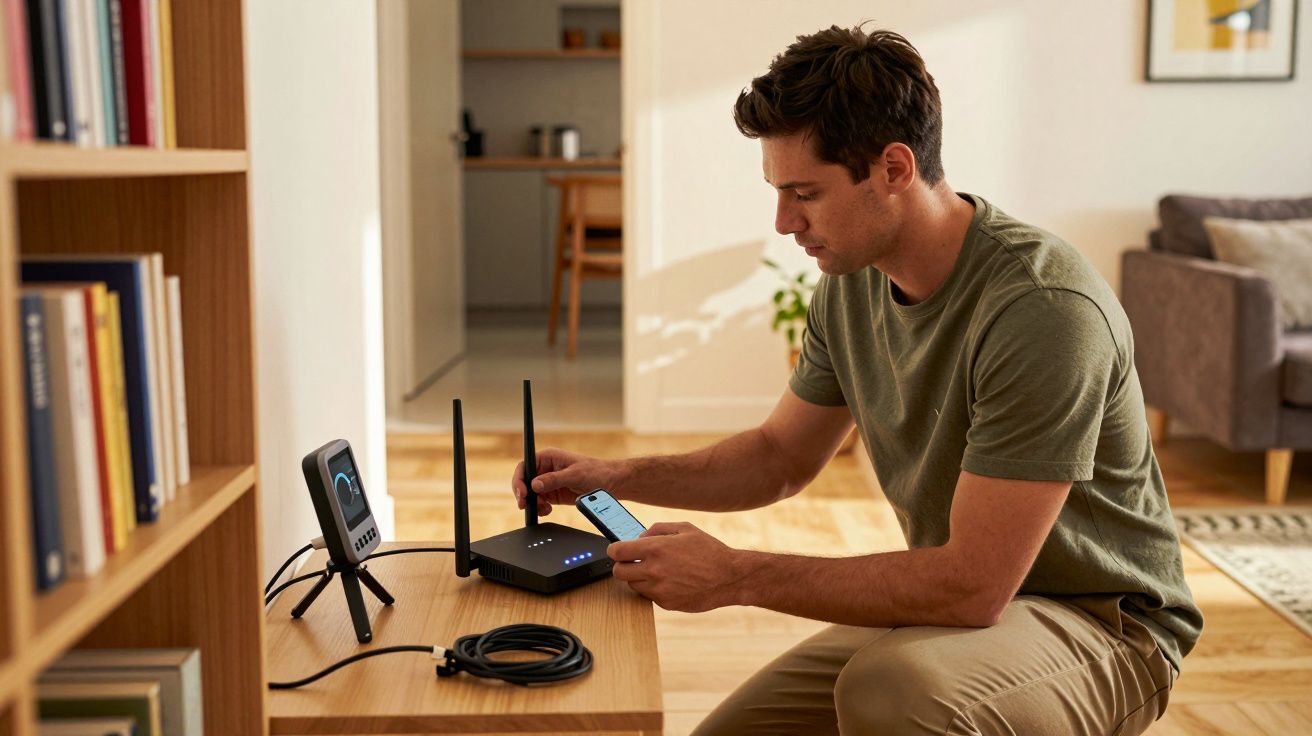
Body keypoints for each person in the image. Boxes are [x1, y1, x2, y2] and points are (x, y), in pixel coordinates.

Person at [511, 24, 1202, 735]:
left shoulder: (1043, 310)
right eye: (779, 192)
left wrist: (736, 575)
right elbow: (779, 458)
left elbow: (972, 586)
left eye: (804, 192)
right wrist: (615, 476)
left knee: (890, 691)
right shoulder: (853, 284)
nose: (784, 222)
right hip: (964, 610)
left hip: (1101, 626)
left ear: (894, 169)